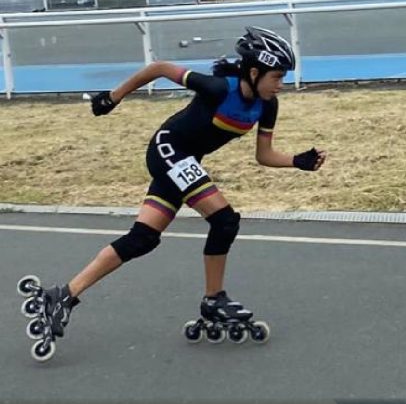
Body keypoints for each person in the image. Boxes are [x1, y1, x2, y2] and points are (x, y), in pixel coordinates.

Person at [21, 27, 327, 361]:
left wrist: (297, 161)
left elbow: (264, 155)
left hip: (185, 161)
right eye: (277, 76)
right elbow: (159, 68)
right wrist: (113, 97)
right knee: (224, 221)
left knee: (143, 238)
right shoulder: (217, 88)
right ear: (254, 72)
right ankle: (214, 299)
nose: (280, 84)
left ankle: (63, 295)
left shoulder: (267, 106)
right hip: (168, 149)